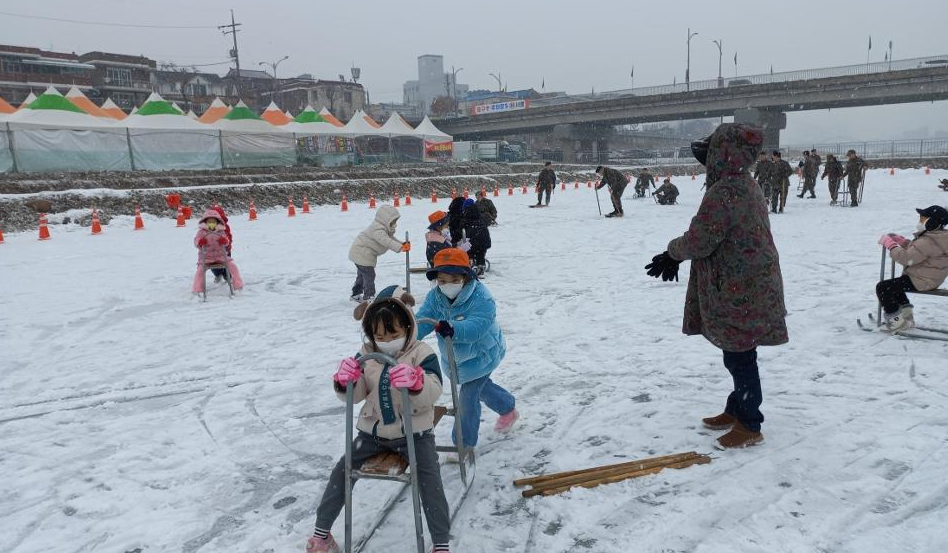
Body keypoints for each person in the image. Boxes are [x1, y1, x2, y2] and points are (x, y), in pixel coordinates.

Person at [644, 123, 788, 449]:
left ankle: (750, 423)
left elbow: (701, 238)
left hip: (739, 284)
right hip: (746, 281)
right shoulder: (741, 183)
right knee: (737, 351)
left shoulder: (727, 191)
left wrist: (672, 253)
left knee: (740, 355)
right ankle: (737, 407)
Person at [306, 286, 452, 553]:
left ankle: (441, 543)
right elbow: (358, 394)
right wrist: (345, 382)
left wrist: (417, 384)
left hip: (414, 435)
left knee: (430, 480)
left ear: (407, 328)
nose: (386, 340)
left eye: (393, 333)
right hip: (371, 436)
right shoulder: (366, 355)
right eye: (379, 335)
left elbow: (434, 390)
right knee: (342, 472)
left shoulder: (422, 353)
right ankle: (321, 533)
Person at [416, 248, 518, 454]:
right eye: (442, 280)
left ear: (465, 276)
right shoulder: (435, 297)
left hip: (483, 355)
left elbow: (478, 326)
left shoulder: (481, 296)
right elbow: (423, 319)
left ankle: (464, 444)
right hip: (458, 360)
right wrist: (405, 336)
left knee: (467, 399)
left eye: (454, 278)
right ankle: (508, 408)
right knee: (482, 388)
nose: (447, 285)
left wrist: (453, 328)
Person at [875, 205, 948, 332]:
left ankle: (896, 322)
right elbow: (920, 251)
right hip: (928, 278)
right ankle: (906, 318)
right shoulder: (939, 237)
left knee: (883, 287)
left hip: (922, 280)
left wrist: (891, 245)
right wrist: (903, 242)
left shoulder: (929, 240)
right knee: (896, 286)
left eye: (922, 218)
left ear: (932, 223)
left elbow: (906, 258)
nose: (920, 221)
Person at [348, 205, 409, 302]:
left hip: (361, 254)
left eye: (395, 221)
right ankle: (369, 297)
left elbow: (390, 238)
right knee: (369, 275)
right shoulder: (377, 229)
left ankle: (356, 294)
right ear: (385, 219)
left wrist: (401, 244)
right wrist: (400, 247)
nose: (394, 223)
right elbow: (385, 240)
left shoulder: (383, 228)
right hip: (362, 253)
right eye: (393, 221)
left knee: (362, 275)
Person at [191, 209, 244, 294]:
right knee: (200, 271)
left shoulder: (221, 231)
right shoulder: (201, 232)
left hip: (221, 256)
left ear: (217, 222)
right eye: (209, 221)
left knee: (233, 266)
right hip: (206, 258)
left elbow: (226, 241)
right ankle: (197, 289)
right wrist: (200, 242)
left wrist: (224, 241)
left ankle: (238, 284)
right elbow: (196, 241)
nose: (211, 223)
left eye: (213, 221)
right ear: (205, 222)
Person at [462, 198, 491, 275]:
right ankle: (481, 264)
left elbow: (463, 226)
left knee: (470, 250)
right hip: (484, 238)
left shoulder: (466, 215)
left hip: (473, 238)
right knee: (481, 251)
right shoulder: (480, 213)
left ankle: (471, 261)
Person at [208, 204, 232, 283]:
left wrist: (227, 244)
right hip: (212, 252)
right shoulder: (208, 228)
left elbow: (228, 237)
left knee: (226, 265)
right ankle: (218, 275)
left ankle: (227, 276)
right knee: (213, 265)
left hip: (225, 250)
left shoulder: (225, 227)